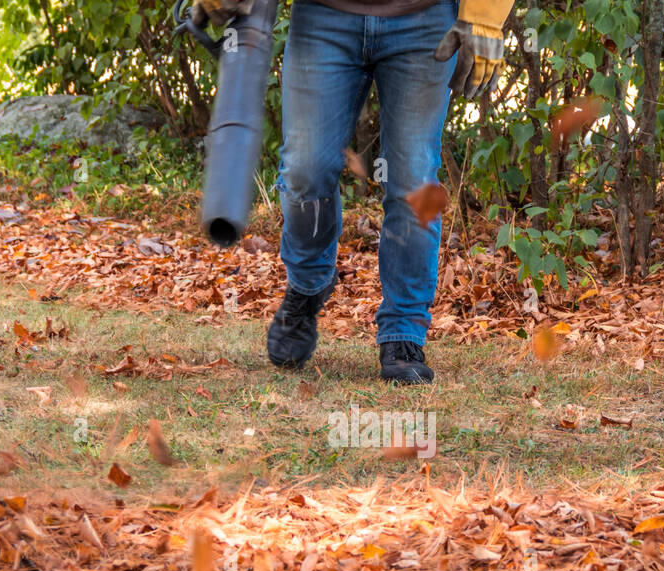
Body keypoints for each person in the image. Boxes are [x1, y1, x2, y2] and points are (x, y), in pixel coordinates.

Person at [199, 0, 514, 384]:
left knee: (413, 179)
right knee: (304, 169)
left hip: (425, 21)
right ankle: (308, 283)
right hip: (323, 16)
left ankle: (404, 333)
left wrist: (485, 16)